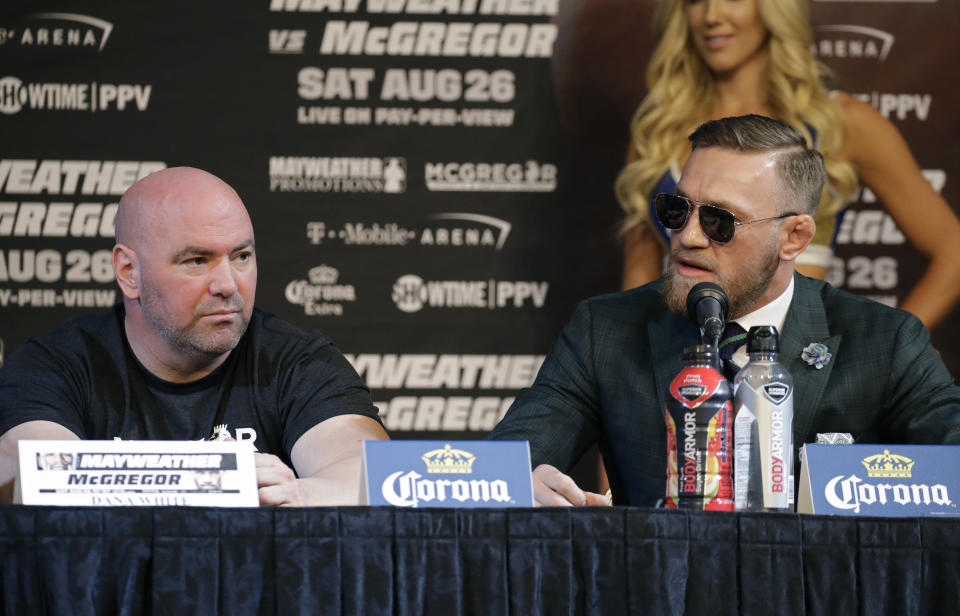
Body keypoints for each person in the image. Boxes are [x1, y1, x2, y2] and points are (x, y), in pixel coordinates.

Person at [489, 115, 960, 507]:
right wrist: (515, 485)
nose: (688, 236)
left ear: (794, 237)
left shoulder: (885, 340)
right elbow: (505, 464)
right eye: (676, 209)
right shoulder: (606, 330)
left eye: (719, 220)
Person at [0, 167, 389, 505]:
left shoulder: (298, 362)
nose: (227, 285)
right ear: (129, 272)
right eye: (197, 260)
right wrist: (221, 483)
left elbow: (376, 477)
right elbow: (32, 479)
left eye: (241, 257)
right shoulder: (54, 366)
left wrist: (301, 495)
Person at [616, 0, 960, 331]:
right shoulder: (659, 132)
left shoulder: (840, 124)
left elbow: (953, 251)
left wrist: (888, 355)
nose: (711, 15)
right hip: (684, 373)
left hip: (798, 373)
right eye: (695, 0)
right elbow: (636, 294)